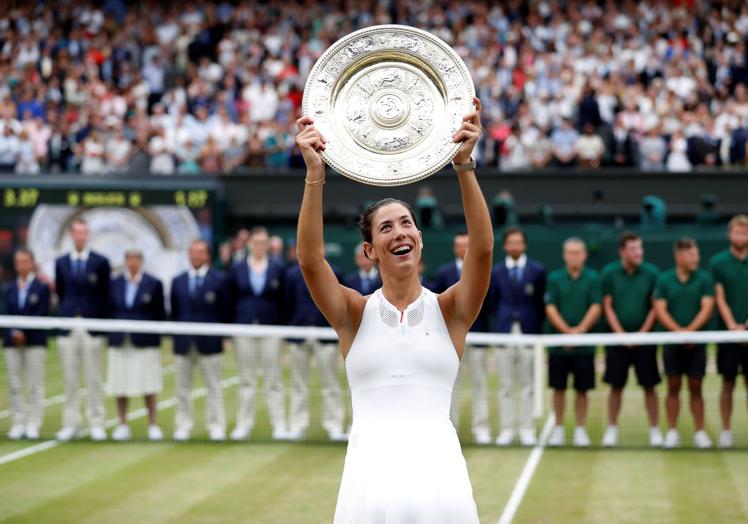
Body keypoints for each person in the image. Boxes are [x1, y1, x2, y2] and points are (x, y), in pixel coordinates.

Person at [295, 97, 491, 523]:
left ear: (420, 237)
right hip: (370, 484)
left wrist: (464, 166)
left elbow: (482, 249)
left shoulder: (451, 309)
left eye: (406, 223)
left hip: (440, 485)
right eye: (386, 227)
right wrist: (315, 176)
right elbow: (311, 261)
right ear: (369, 251)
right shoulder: (353, 313)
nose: (399, 232)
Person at [600, 232, 662, 447]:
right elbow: (607, 305)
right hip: (618, 342)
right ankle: (612, 429)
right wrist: (621, 335)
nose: (639, 252)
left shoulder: (652, 272)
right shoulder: (609, 273)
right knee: (615, 387)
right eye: (634, 249)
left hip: (644, 341)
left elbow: (655, 306)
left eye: (640, 248)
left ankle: (655, 430)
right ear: (623, 251)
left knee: (650, 386)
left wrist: (641, 334)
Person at [487, 227, 546, 447]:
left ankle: (527, 429)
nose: (515, 246)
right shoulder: (496, 271)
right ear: (505, 246)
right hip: (504, 333)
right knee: (505, 385)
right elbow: (492, 302)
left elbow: (540, 303)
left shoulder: (538, 271)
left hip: (529, 333)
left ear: (524, 245)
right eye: (511, 242)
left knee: (528, 385)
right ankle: (507, 429)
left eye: (518, 242)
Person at [654, 237, 715, 449]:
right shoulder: (664, 280)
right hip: (672, 343)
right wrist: (678, 332)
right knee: (673, 386)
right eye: (690, 254)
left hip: (697, 343)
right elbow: (660, 308)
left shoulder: (705, 279)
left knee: (696, 386)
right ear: (678, 256)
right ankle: (672, 431)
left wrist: (690, 332)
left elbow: (707, 307)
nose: (695, 258)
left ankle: (699, 431)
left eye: (696, 254)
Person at [228, 226, 288, 441]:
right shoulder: (236, 268)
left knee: (273, 380)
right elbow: (231, 298)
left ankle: (279, 425)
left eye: (264, 243)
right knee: (246, 380)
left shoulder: (278, 267)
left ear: (268, 246)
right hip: (244, 329)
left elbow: (284, 299)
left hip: (271, 329)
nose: (260, 247)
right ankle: (244, 424)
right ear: (249, 244)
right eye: (256, 242)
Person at [55, 218, 111, 442]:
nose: (80, 237)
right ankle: (71, 423)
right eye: (76, 233)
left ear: (87, 235)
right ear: (72, 235)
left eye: (83, 233)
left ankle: (97, 422)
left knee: (94, 378)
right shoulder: (61, 263)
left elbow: (104, 293)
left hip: (92, 326)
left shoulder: (100, 262)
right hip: (68, 325)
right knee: (70, 379)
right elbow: (61, 291)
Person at [170, 240, 231, 441]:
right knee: (182, 388)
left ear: (207, 256)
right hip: (183, 343)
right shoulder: (177, 281)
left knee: (213, 386)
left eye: (199, 252)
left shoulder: (219, 280)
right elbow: (175, 310)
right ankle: (183, 426)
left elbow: (224, 310)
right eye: (192, 252)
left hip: (210, 343)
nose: (195, 256)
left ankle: (216, 426)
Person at [434, 232, 491, 444]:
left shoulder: (484, 271)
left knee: (480, 383)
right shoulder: (444, 272)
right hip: (449, 341)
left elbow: (489, 301)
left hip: (478, 337)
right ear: (455, 248)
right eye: (460, 245)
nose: (463, 249)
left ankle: (481, 428)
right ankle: (450, 428)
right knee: (450, 386)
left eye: (467, 245)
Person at [545, 238, 601, 447]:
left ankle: (580, 429)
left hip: (584, 345)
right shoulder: (555, 278)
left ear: (584, 255)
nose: (574, 256)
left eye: (578, 252)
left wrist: (580, 332)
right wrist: (566, 333)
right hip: (559, 346)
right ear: (564, 255)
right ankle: (558, 429)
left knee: (582, 389)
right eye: (570, 252)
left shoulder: (594, 278)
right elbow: (550, 308)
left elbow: (596, 306)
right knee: (558, 388)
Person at [285, 252, 346, 441]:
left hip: (325, 333)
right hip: (299, 333)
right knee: (298, 383)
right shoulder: (291, 274)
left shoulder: (334, 272)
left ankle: (334, 425)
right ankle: (297, 425)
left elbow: (339, 301)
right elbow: (286, 302)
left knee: (330, 383)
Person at [107, 249, 166, 442]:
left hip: (145, 342)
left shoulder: (154, 283)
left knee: (149, 384)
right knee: (121, 385)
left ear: (141, 261)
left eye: (135, 259)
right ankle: (122, 424)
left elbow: (159, 313)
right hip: (120, 341)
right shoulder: (114, 283)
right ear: (125, 261)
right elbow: (109, 309)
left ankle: (153, 425)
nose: (132, 262)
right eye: (129, 259)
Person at [709, 215, 748, 448]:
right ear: (729, 235)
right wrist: (733, 325)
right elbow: (719, 297)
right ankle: (726, 431)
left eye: (745, 233)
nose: (741, 236)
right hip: (727, 334)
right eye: (737, 232)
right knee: (727, 383)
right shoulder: (717, 262)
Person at [3, 248, 50, 440]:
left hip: (34, 342)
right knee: (15, 384)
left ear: (32, 263)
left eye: (25, 261)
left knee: (34, 385)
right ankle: (18, 423)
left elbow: (41, 313)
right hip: (12, 343)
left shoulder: (42, 288)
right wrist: (13, 332)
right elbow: (4, 312)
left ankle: (33, 424)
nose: (21, 265)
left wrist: (25, 333)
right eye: (18, 261)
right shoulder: (7, 288)